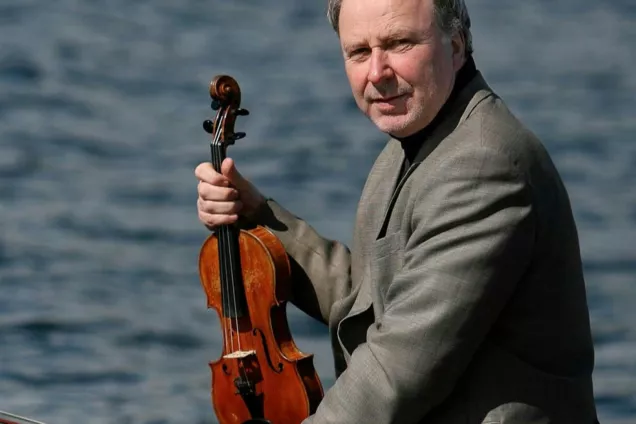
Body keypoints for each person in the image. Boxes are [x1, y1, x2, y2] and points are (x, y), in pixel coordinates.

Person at [195, 0, 599, 422]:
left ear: (456, 45)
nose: (377, 73)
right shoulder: (415, 142)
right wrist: (258, 215)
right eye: (359, 52)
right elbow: (373, 299)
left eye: (399, 43)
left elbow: (397, 370)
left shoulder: (483, 165)